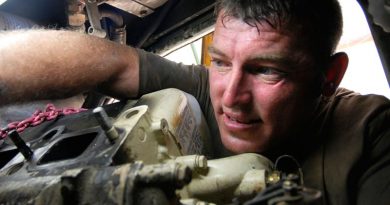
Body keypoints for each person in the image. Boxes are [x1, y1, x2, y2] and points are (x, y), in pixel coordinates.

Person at [0, 0, 389, 204]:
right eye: (219, 62)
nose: (231, 98)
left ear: (329, 77)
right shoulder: (204, 89)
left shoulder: (373, 133)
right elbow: (111, 63)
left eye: (267, 71)